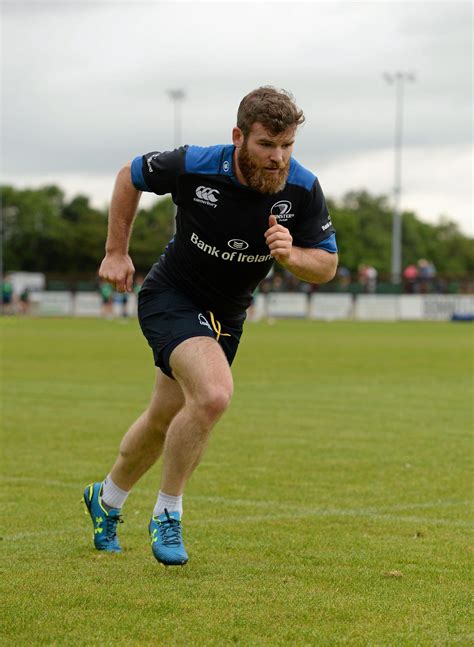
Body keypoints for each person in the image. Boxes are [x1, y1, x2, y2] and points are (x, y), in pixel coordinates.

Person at [83, 86, 338, 566]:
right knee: (215, 394)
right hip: (171, 297)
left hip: (227, 318)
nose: (277, 158)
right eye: (266, 145)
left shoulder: (302, 188)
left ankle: (107, 499)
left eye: (286, 146)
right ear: (239, 136)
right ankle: (168, 514)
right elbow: (128, 176)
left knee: (164, 420)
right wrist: (116, 252)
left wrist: (291, 255)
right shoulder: (196, 164)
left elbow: (325, 265)